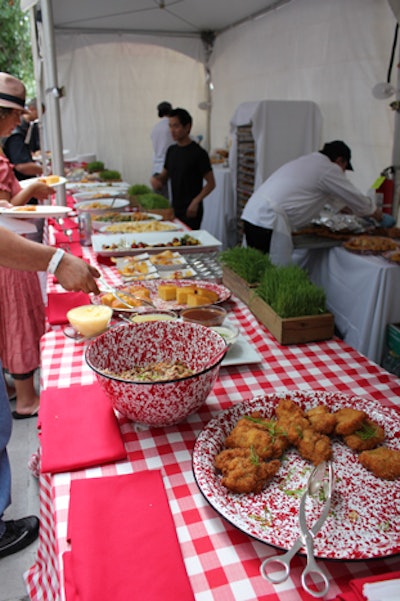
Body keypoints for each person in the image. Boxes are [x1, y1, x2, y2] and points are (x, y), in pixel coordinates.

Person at [241, 140, 380, 265]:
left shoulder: (310, 162)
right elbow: (355, 197)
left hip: (253, 213)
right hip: (268, 220)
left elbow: (338, 201)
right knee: (270, 273)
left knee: (255, 267)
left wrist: (357, 211)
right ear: (340, 161)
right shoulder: (328, 169)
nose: (343, 173)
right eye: (344, 168)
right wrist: (375, 213)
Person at [150, 108, 215, 229]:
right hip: (175, 208)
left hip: (192, 210)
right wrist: (156, 179)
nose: (172, 131)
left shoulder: (199, 153)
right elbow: (164, 176)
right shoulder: (171, 151)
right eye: (170, 126)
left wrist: (196, 201)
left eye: (176, 126)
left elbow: (211, 183)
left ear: (187, 127)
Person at [3, 97, 43, 182]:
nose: (18, 121)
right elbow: (21, 166)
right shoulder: (16, 134)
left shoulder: (22, 129)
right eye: (16, 114)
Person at [150, 101, 174, 199]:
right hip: (169, 168)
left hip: (156, 167)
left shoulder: (155, 128)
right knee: (169, 201)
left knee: (159, 201)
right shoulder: (172, 126)